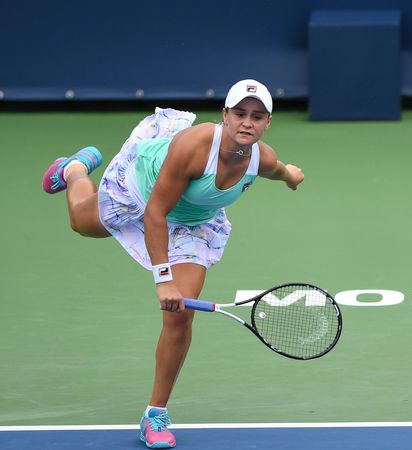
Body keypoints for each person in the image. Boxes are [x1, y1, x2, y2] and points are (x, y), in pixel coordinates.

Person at [41, 79, 304, 449]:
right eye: (240, 114)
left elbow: (277, 170)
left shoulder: (263, 157)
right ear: (225, 115)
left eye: (257, 116)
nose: (248, 122)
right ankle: (74, 171)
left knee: (180, 314)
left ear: (267, 123)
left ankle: (155, 413)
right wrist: (162, 278)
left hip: (195, 222)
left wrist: (291, 175)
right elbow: (156, 213)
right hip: (144, 192)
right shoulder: (194, 146)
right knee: (81, 222)